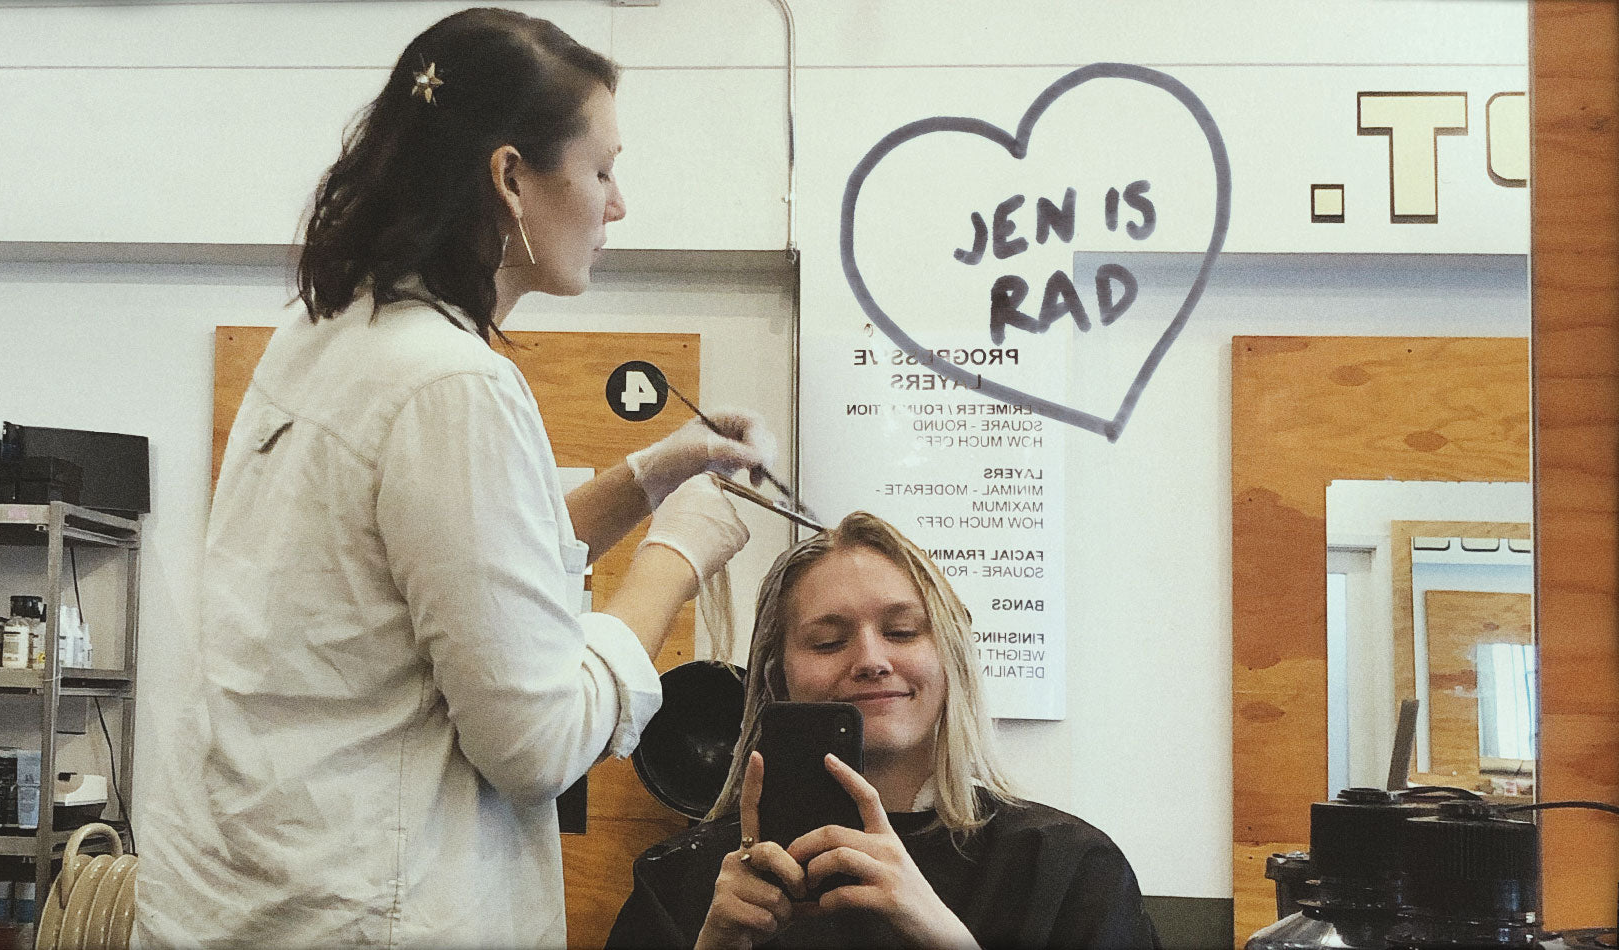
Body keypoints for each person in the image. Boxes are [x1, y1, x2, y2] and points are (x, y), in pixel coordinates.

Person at [133, 9, 773, 948]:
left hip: (246, 900)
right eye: (601, 171)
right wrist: (674, 559)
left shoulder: (328, 337)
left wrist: (653, 474)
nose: (618, 203)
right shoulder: (453, 384)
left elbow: (456, 569)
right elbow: (537, 745)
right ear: (511, 177)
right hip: (364, 914)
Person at [606, 512, 1161, 950]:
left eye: (901, 631)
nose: (871, 659)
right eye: (827, 641)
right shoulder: (684, 882)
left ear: (951, 661)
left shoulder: (1066, 870)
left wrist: (940, 934)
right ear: (779, 676)